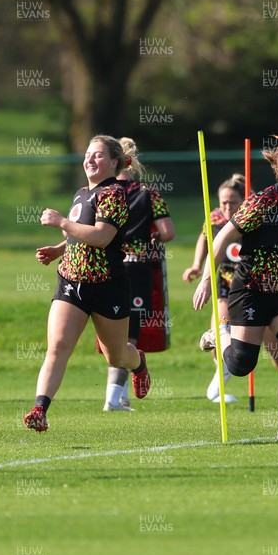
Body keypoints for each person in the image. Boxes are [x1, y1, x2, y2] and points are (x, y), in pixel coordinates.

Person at [193, 135, 278, 440]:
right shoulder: (261, 202)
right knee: (240, 365)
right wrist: (208, 278)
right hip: (250, 290)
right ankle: (220, 335)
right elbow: (222, 237)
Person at [23, 135, 151, 433]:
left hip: (108, 286)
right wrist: (60, 248)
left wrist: (62, 222)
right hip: (71, 281)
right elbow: (80, 234)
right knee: (57, 346)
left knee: (116, 356)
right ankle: (40, 409)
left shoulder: (115, 194)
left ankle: (138, 363)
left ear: (114, 163)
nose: (90, 159)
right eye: (87, 154)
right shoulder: (83, 192)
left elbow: (102, 236)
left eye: (98, 155)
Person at [183, 174, 278, 402]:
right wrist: (197, 266)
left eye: (233, 202)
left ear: (243, 199)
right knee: (221, 334)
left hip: (255, 288)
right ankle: (217, 389)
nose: (227, 207)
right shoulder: (215, 218)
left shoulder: (252, 218)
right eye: (223, 202)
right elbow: (204, 238)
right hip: (226, 288)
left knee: (271, 343)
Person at [103, 137, 175, 411]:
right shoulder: (147, 193)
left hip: (106, 265)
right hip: (136, 266)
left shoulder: (104, 191)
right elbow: (168, 232)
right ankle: (113, 398)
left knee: (111, 331)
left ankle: (118, 395)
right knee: (129, 334)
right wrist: (153, 238)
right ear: (133, 162)